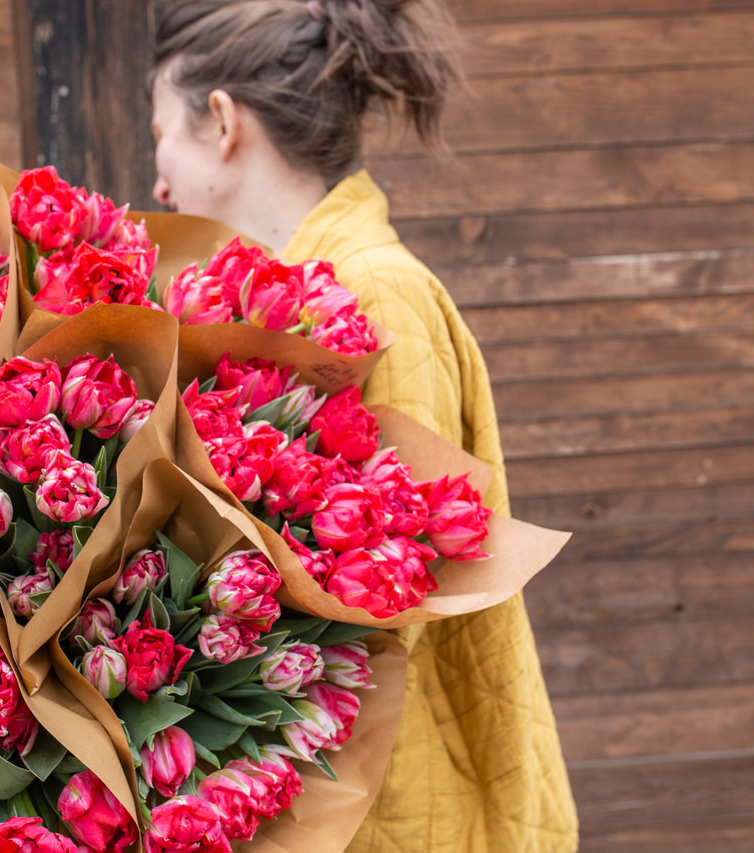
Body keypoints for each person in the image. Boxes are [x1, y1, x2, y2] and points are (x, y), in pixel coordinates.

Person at [150, 1, 579, 851]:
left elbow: (394, 605)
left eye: (161, 131)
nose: (157, 183)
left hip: (390, 796)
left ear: (224, 124)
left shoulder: (372, 294)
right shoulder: (287, 293)